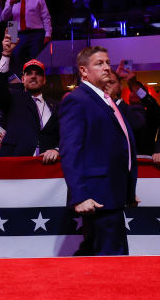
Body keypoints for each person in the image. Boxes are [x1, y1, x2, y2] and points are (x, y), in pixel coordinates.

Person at [59, 46, 138, 255]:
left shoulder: (104, 98)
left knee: (105, 257)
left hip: (112, 193)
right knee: (111, 259)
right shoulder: (77, 99)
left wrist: (128, 188)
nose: (106, 68)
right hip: (97, 195)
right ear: (84, 71)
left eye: (107, 63)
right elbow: (71, 151)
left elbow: (118, 145)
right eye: (99, 63)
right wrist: (79, 196)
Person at [0, 35, 60, 162]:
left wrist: (56, 149)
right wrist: (6, 54)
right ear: (23, 79)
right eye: (29, 73)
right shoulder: (12, 98)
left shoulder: (55, 106)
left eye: (38, 74)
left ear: (44, 80)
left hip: (46, 169)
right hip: (15, 165)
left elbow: (63, 135)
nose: (33, 76)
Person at [1, 0, 52, 76]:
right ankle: (20, 82)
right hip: (14, 29)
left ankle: (36, 80)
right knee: (16, 57)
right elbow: (4, 17)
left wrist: (48, 34)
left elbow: (46, 17)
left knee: (36, 58)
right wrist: (10, 5)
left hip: (35, 31)